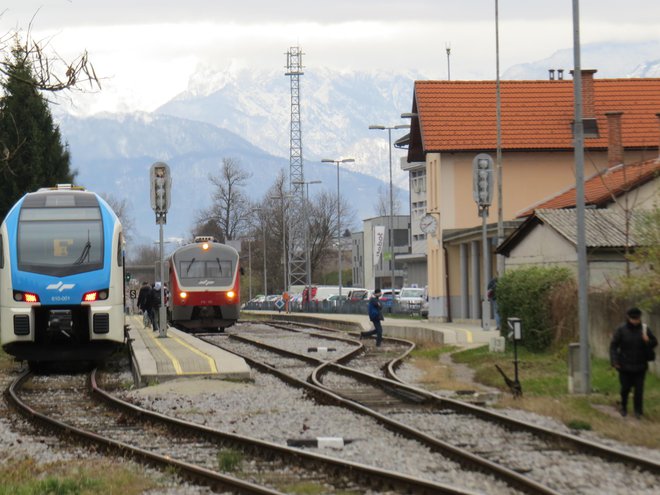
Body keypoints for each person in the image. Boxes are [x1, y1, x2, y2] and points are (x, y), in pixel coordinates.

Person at [609, 307, 657, 419]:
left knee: (639, 390)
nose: (635, 321)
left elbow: (654, 342)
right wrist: (615, 361)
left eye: (637, 319)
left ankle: (638, 412)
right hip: (624, 365)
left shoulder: (645, 329)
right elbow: (613, 346)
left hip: (640, 365)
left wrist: (647, 341)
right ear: (628, 318)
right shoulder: (621, 330)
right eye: (633, 319)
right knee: (625, 388)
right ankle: (624, 406)